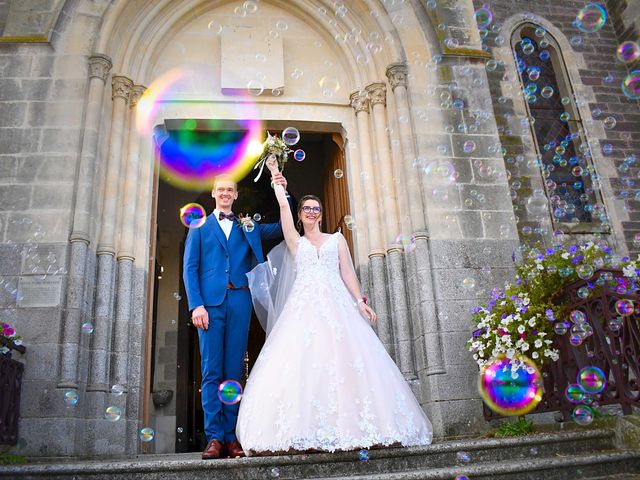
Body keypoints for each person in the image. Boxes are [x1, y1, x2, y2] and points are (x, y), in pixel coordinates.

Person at [236, 159, 432, 455]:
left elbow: (348, 273)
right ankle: (307, 432)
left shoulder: (336, 239)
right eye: (307, 209)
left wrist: (360, 302)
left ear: (321, 214)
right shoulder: (294, 242)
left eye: (316, 209)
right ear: (301, 216)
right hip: (303, 309)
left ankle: (353, 428)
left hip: (337, 304)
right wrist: (278, 179)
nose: (312, 213)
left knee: (344, 362)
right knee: (305, 364)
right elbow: (283, 210)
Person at [183, 172, 288, 460]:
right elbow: (190, 268)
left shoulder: (248, 225)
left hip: (240, 300)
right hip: (210, 305)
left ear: (236, 194)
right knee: (211, 371)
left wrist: (281, 189)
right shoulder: (200, 226)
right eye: (221, 189)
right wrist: (196, 306)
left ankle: (232, 438)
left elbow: (281, 228)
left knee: (234, 371)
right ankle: (214, 437)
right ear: (214, 193)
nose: (226, 193)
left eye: (230, 189)